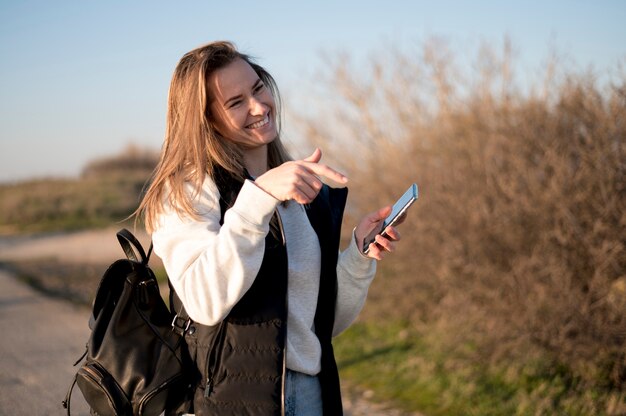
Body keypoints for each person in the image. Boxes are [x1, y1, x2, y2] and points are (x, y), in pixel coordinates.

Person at [136, 41, 402, 416]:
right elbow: (204, 301)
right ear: (205, 120)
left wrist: (358, 255)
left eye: (258, 87)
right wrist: (257, 200)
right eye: (235, 102)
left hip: (312, 393)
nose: (259, 107)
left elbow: (316, 329)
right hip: (232, 404)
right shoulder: (186, 190)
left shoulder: (294, 190)